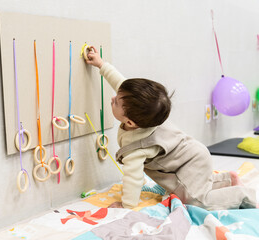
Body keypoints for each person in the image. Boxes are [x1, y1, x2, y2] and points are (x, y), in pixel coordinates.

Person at [85, 46, 258, 210]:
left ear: (130, 122)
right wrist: (101, 64)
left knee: (195, 200)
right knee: (196, 187)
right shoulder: (149, 114)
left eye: (116, 101)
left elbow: (133, 178)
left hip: (188, 164)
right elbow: (122, 85)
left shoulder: (137, 148)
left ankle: (243, 195)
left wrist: (127, 204)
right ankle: (228, 179)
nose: (113, 98)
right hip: (194, 154)